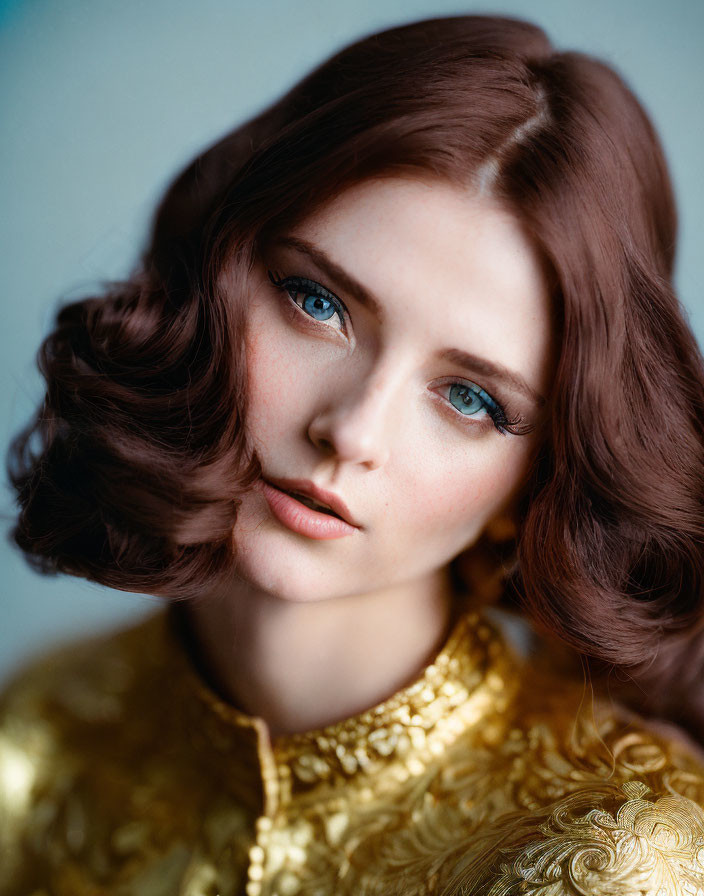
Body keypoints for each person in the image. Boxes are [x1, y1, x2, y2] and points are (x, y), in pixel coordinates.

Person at [2, 13, 704, 895]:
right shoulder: (38, 737)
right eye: (317, 304)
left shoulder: (616, 857)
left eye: (472, 399)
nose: (354, 431)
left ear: (538, 480)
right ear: (213, 281)